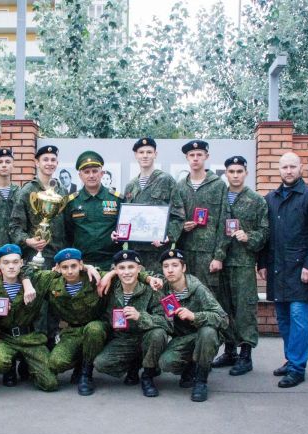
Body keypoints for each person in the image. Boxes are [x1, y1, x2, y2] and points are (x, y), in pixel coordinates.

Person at [258, 152, 308, 388]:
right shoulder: (271, 198)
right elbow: (266, 236)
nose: (288, 171)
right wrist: (263, 263)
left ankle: (298, 368)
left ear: (301, 168)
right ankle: (290, 360)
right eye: (284, 167)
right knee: (284, 319)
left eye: (292, 166)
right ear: (279, 169)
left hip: (300, 270)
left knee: (299, 319)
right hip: (277, 268)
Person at [22, 248, 107, 395]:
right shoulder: (52, 282)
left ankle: (86, 374)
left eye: (73, 266)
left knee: (94, 330)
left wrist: (103, 272)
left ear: (80, 265)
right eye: (65, 267)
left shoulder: (94, 277)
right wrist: (26, 283)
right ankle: (79, 361)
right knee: (56, 363)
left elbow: (125, 272)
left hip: (94, 328)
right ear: (58, 268)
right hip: (71, 332)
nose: (69, 271)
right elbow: (23, 269)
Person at [212, 156, 269, 375]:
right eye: (231, 171)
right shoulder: (220, 197)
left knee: (244, 309)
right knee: (224, 308)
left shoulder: (256, 200)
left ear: (246, 173)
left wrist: (249, 236)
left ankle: (246, 355)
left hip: (243, 263)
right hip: (220, 262)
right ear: (225, 174)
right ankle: (229, 351)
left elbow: (265, 232)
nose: (235, 175)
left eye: (239, 171)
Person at [0, 244, 59, 392]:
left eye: (15, 262)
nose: (11, 267)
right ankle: (10, 366)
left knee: (50, 383)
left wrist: (89, 268)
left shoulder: (36, 280)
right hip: (5, 338)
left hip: (30, 338)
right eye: (6, 262)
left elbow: (63, 271)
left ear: (22, 263)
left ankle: (27, 365)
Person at [94, 249, 171, 397]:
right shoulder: (111, 287)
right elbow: (90, 271)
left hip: (145, 337)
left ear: (139, 269)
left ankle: (148, 375)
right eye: (121, 268)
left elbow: (167, 323)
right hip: (123, 339)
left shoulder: (152, 289)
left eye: (131, 267)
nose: (127, 272)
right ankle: (134, 365)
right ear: (115, 270)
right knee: (101, 364)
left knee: (158, 334)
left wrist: (140, 316)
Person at [156, 249, 228, 402]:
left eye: (175, 265)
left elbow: (223, 319)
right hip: (182, 339)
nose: (170, 270)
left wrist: (195, 316)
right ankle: (191, 366)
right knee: (165, 363)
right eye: (166, 266)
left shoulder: (198, 289)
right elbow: (140, 273)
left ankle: (201, 381)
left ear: (183, 268)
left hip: (204, 337)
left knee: (207, 333)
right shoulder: (163, 288)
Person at [117, 137, 183, 268]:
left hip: (158, 251)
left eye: (149, 152)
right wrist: (120, 232)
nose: (145, 156)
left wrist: (168, 236)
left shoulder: (166, 180)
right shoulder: (131, 186)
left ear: (155, 154)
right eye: (141, 152)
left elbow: (178, 215)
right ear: (136, 155)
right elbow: (126, 218)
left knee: (159, 285)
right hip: (135, 251)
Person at [173, 140, 228, 297]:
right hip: (185, 252)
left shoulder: (218, 185)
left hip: (208, 254)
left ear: (206, 156)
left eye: (199, 155)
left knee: (208, 296)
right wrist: (182, 226)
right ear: (187, 158)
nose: (195, 158)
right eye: (191, 155)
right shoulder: (180, 186)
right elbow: (174, 218)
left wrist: (219, 256)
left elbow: (224, 221)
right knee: (184, 295)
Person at [9, 145, 67, 268]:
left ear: (57, 163)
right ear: (37, 163)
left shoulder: (62, 191)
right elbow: (15, 226)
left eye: (53, 160)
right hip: (35, 256)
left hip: (60, 256)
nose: (49, 163)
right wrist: (28, 241)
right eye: (45, 159)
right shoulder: (27, 191)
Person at [65, 151, 124, 270]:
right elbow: (68, 233)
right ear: (80, 175)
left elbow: (124, 230)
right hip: (81, 263)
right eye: (86, 172)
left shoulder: (116, 199)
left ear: (102, 173)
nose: (91, 175)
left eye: (95, 171)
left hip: (112, 262)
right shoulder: (71, 201)